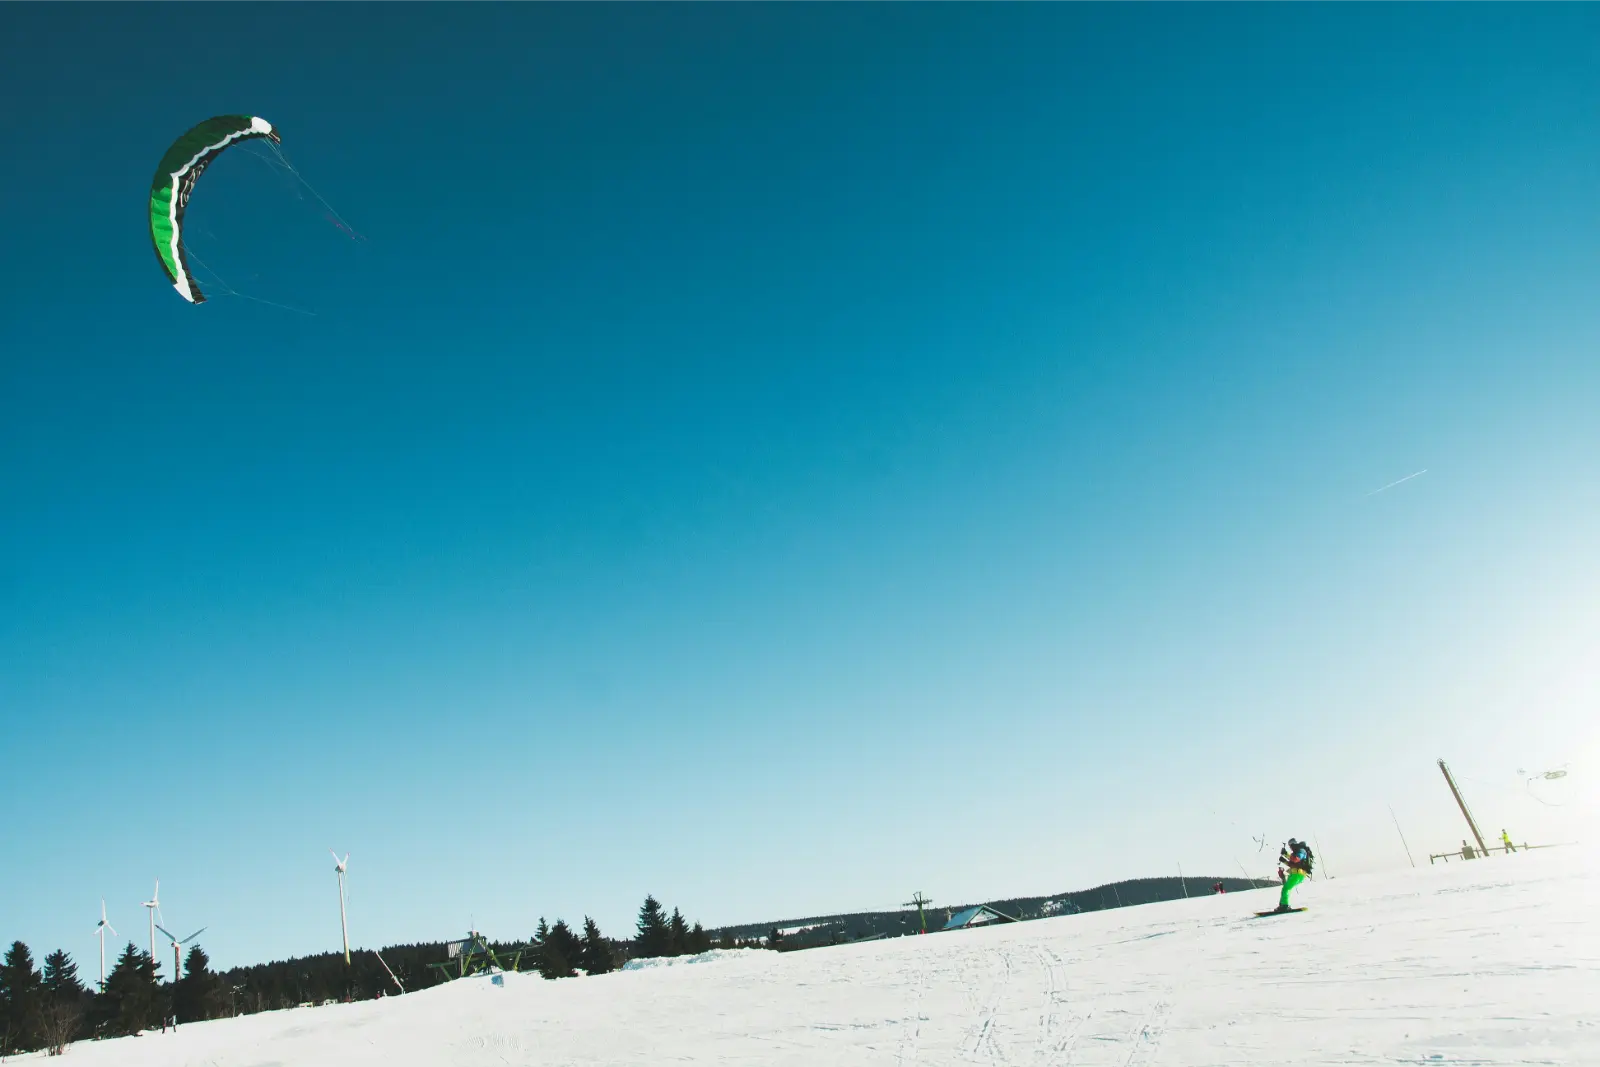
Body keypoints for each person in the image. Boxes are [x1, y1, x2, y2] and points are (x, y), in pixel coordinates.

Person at [1274, 839, 1313, 912]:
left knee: (1286, 889)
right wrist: (1284, 860)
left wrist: (1286, 854)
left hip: (1298, 874)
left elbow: (1296, 859)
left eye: (1290, 846)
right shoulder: (1297, 852)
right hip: (1297, 874)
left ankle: (1284, 906)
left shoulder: (1301, 851)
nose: (1290, 848)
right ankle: (1283, 905)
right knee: (1286, 889)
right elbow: (1292, 864)